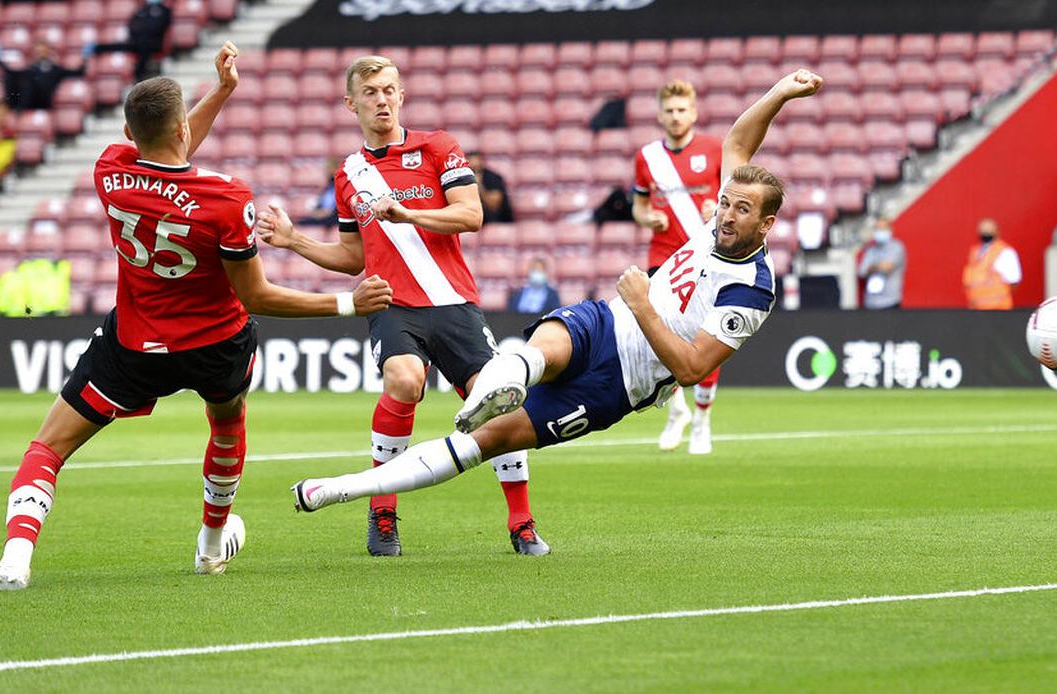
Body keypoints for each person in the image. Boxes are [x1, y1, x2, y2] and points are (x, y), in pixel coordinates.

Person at [0, 42, 394, 591]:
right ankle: (210, 545)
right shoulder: (227, 199)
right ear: (182, 127)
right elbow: (257, 296)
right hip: (216, 345)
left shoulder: (110, 168)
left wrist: (220, 92)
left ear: (130, 135)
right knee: (227, 425)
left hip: (134, 346)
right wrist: (348, 302)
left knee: (48, 447)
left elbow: (164, 156)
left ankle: (14, 562)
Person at [290, 70, 823, 528]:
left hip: (622, 379)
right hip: (605, 320)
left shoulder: (753, 288)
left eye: (739, 211)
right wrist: (780, 92)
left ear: (766, 223)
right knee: (542, 345)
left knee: (492, 442)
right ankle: (494, 388)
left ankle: (345, 487)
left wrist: (642, 304)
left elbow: (689, 368)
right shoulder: (722, 218)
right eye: (724, 203)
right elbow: (737, 143)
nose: (725, 216)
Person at [257, 55, 548, 557]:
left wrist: (405, 212)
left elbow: (472, 215)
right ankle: (383, 510)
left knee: (497, 400)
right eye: (370, 93)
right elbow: (353, 258)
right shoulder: (349, 173)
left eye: (390, 89)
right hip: (391, 304)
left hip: (454, 302)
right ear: (351, 103)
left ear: (402, 95)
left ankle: (521, 522)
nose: (382, 99)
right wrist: (293, 241)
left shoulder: (437, 146)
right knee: (405, 381)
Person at [632, 79, 724, 455]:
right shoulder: (647, 157)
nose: (675, 116)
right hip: (663, 257)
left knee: (706, 338)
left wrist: (716, 207)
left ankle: (702, 419)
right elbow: (638, 206)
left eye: (682, 109)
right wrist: (646, 217)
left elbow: (735, 198)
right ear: (659, 115)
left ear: (694, 112)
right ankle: (678, 410)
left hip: (705, 255)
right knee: (660, 336)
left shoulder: (714, 150)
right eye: (669, 110)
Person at [89, 0, 172, 83]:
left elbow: (161, 26)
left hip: (153, 43)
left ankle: (138, 77)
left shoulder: (164, 10)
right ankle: (97, 48)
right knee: (121, 45)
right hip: (136, 41)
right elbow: (132, 24)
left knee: (144, 49)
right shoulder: (141, 9)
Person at [0, 40, 87, 111]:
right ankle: (14, 109)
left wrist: (85, 57)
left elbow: (77, 73)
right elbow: (11, 73)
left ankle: (18, 110)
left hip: (44, 103)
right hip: (28, 102)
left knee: (28, 82)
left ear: (48, 51)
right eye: (38, 50)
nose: (40, 52)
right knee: (11, 78)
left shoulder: (55, 69)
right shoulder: (31, 68)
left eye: (43, 49)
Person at [962, 218, 1021, 310]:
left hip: (999, 310)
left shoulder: (1005, 252)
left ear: (997, 232)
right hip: (976, 310)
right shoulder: (975, 252)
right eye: (983, 231)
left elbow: (1014, 282)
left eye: (988, 231)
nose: (985, 233)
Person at [856, 218, 906, 310]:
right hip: (870, 302)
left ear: (890, 230)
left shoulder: (897, 247)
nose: (880, 232)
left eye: (883, 229)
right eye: (877, 229)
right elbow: (861, 271)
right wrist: (877, 267)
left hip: (890, 301)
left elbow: (887, 267)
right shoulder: (870, 250)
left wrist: (871, 268)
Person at [467, 150, 514, 223]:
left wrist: (479, 185)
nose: (474, 165)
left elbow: (493, 205)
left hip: (498, 220)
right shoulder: (463, 178)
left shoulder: (493, 177)